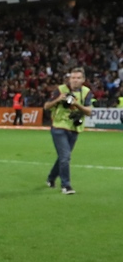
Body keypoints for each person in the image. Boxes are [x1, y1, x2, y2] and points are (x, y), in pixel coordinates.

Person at [43, 67, 93, 195]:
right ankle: (66, 185)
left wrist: (76, 104)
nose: (75, 80)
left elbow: (88, 111)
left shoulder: (86, 92)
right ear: (69, 78)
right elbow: (46, 106)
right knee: (65, 157)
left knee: (62, 157)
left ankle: (51, 178)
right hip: (59, 127)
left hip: (75, 128)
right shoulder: (61, 90)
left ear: (83, 80)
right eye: (73, 78)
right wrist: (58, 99)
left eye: (78, 78)